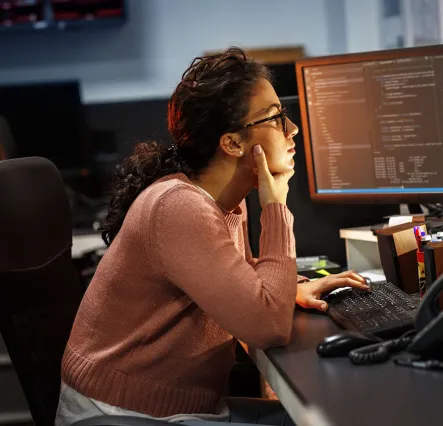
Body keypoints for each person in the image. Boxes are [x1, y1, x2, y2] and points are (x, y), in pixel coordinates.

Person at [55, 47, 370, 426]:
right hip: (123, 413)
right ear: (232, 143)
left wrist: (290, 289)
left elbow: (236, 275)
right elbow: (267, 327)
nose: (293, 129)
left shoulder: (225, 202)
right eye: (276, 118)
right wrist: (276, 206)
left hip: (173, 408)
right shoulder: (179, 207)